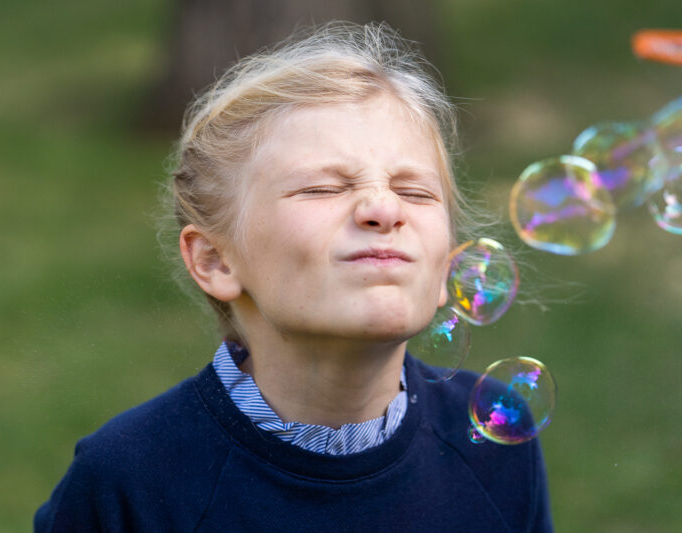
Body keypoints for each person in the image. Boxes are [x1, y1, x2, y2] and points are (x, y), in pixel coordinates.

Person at [34, 22, 553, 532]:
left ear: (448, 267)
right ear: (216, 261)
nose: (382, 207)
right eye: (323, 188)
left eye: (415, 192)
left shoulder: (493, 443)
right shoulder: (132, 481)